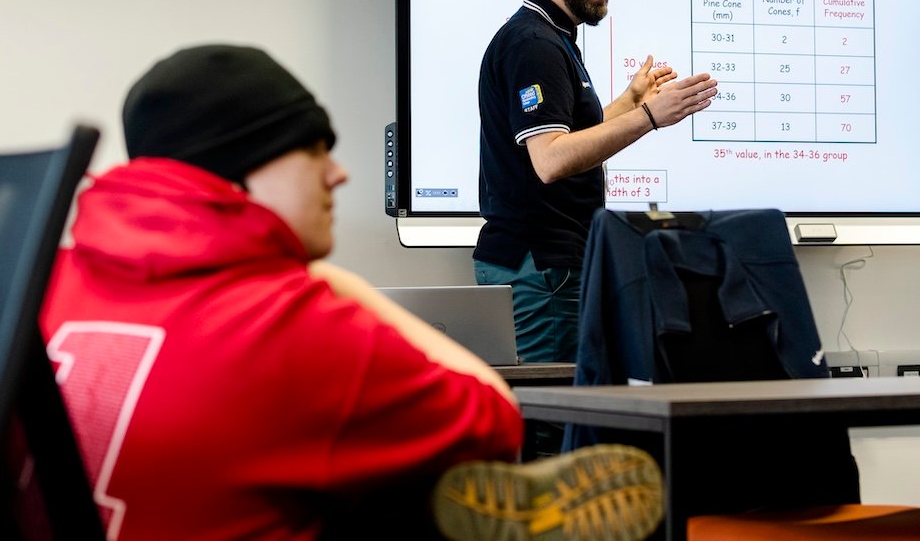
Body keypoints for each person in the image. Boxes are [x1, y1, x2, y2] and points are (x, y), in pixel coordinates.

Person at [39, 44, 664, 541]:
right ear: (240, 166)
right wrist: (335, 281)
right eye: (314, 150)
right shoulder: (291, 324)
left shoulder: (53, 280)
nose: (339, 173)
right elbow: (492, 421)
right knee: (415, 485)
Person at [475, 0, 718, 365]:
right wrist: (648, 116)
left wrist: (628, 102)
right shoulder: (535, 44)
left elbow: (569, 137)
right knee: (551, 426)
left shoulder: (552, 36)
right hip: (543, 267)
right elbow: (550, 160)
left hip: (548, 264)